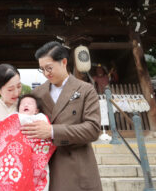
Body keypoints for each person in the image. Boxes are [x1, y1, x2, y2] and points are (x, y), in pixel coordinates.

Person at [21, 41, 102, 191]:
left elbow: (93, 129)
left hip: (78, 168)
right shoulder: (37, 93)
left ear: (64, 62)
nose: (46, 73)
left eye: (49, 68)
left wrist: (52, 131)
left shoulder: (86, 90)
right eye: (42, 69)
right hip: (45, 170)